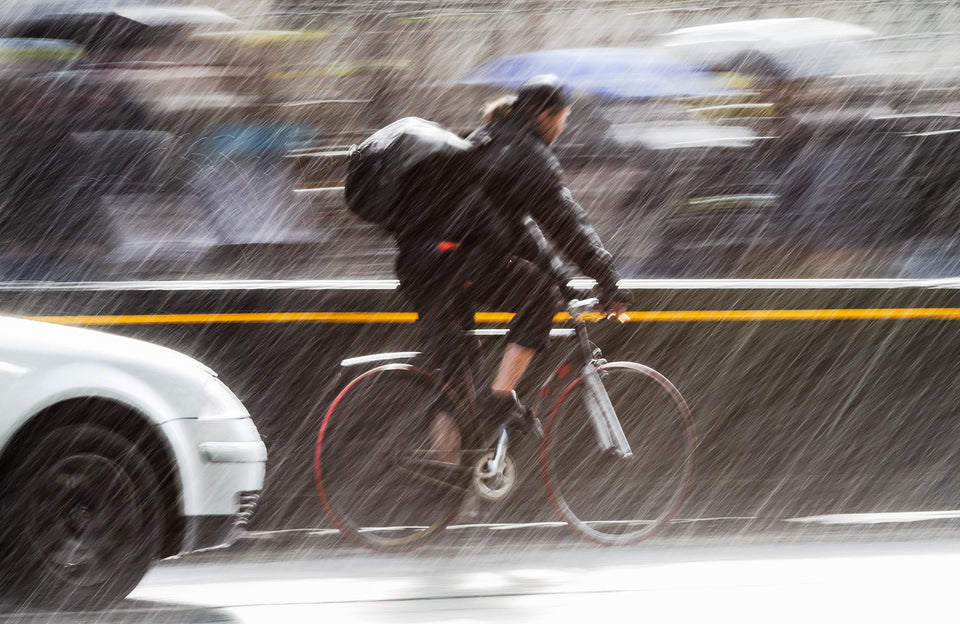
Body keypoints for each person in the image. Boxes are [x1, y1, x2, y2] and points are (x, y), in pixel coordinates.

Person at [394, 74, 631, 452]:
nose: (563, 128)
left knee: (453, 377)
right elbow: (567, 225)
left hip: (422, 263)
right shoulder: (528, 156)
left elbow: (519, 231)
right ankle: (499, 398)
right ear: (547, 115)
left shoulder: (482, 140)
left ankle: (445, 483)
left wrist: (564, 278)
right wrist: (608, 280)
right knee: (538, 297)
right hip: (458, 264)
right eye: (563, 119)